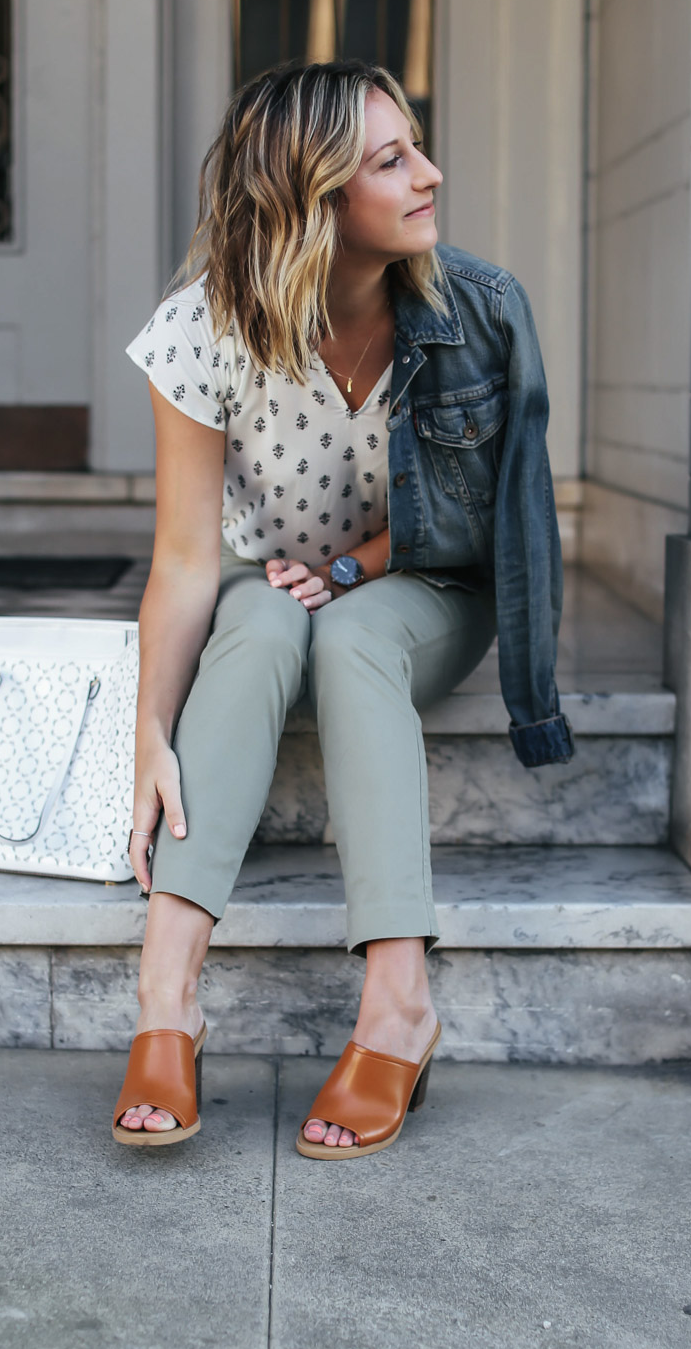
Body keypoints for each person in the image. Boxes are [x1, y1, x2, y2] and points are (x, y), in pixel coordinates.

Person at [112, 59, 573, 1161]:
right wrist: (147, 733)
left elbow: (499, 526)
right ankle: (165, 1000)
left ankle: (399, 1006)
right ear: (316, 200)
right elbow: (183, 559)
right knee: (270, 622)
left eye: (415, 144)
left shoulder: (481, 310)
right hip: (259, 583)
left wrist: (362, 568)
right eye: (392, 160)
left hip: (420, 592)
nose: (431, 174)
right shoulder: (202, 329)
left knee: (354, 637)